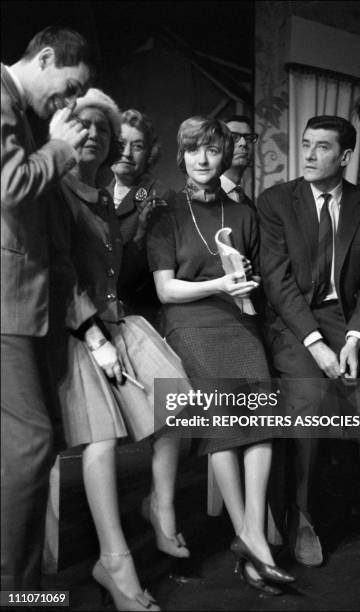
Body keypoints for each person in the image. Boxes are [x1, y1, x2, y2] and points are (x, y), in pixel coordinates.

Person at [50, 88, 192, 611]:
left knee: (176, 402)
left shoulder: (105, 196)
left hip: (117, 321)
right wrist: (93, 339)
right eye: (84, 126)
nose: (95, 137)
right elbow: (59, 278)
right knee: (102, 440)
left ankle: (161, 505)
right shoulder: (56, 190)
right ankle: (114, 561)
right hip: (72, 330)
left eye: (103, 131)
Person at [147, 115, 295, 595]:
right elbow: (166, 291)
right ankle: (250, 539)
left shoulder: (245, 214)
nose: (204, 159)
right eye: (195, 151)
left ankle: (253, 536)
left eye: (213, 150)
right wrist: (220, 283)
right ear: (182, 157)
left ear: (227, 154)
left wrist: (244, 285)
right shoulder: (165, 212)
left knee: (262, 416)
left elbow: (257, 282)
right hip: (190, 327)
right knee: (226, 416)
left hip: (239, 325)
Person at [257, 114, 360, 565]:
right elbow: (278, 282)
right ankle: (303, 515)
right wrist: (316, 344)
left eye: (322, 147)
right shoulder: (277, 201)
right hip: (296, 322)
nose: (311, 154)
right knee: (309, 398)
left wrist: (356, 338)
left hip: (348, 319)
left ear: (344, 157)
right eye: (307, 144)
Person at [1, 26, 94, 590]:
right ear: (46, 57)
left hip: (26, 304)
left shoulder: (20, 110)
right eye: (68, 86)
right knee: (32, 445)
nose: (66, 102)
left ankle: (22, 583)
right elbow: (11, 185)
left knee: (29, 446)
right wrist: (59, 147)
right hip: (4, 304)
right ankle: (16, 590)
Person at [109, 109, 174, 327]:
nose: (126, 153)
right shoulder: (99, 194)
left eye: (137, 146)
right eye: (120, 143)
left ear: (149, 154)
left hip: (141, 317)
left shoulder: (159, 195)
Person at [220, 114, 257, 208]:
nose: (243, 143)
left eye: (248, 138)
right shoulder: (204, 197)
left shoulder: (248, 205)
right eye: (233, 137)